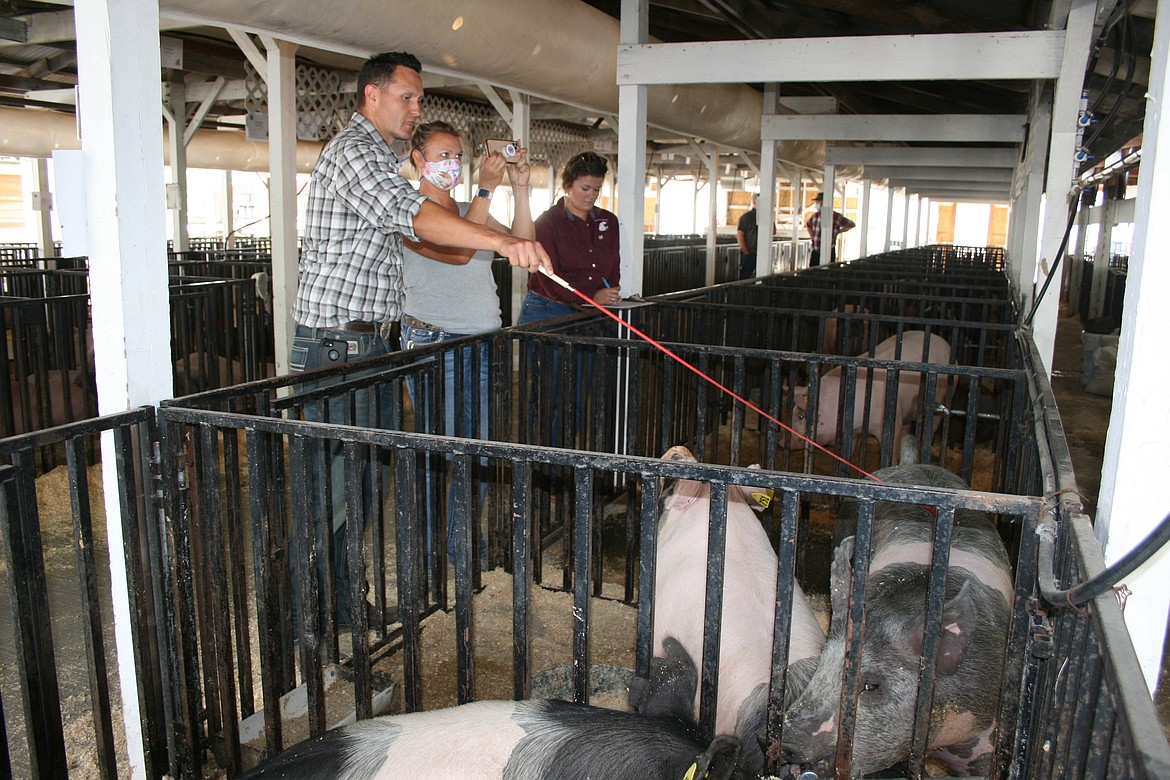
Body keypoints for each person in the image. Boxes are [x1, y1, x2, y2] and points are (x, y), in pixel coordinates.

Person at [287, 51, 549, 632]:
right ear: (371, 96)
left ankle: (346, 607)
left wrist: (500, 224)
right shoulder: (355, 153)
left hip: (371, 346)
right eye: (405, 96)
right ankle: (302, 620)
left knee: (362, 482)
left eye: (418, 98)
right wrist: (501, 242)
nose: (415, 107)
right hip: (336, 345)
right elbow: (417, 217)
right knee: (330, 490)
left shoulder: (379, 160)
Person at [398, 119, 534, 558]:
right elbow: (458, 253)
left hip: (481, 341)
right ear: (418, 160)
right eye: (442, 155)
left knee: (474, 445)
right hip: (438, 341)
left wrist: (521, 189)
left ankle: (459, 542)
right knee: (444, 446)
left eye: (457, 155)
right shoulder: (409, 208)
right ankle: (431, 542)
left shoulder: (466, 210)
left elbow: (522, 248)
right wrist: (485, 191)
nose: (452, 163)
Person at [516, 151, 621, 324]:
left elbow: (613, 265)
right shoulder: (547, 223)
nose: (592, 195)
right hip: (548, 310)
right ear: (567, 186)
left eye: (597, 189)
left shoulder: (609, 221)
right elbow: (548, 277)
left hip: (591, 310)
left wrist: (609, 292)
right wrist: (591, 296)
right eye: (585, 188)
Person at [804, 191, 855, 267]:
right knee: (813, 271)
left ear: (824, 202)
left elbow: (851, 224)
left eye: (818, 201)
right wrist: (812, 236)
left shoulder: (836, 216)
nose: (816, 203)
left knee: (827, 270)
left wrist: (838, 231)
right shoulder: (815, 216)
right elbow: (808, 225)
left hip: (829, 250)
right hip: (816, 250)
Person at [736, 193, 759, 279]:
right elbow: (740, 235)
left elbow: (773, 231)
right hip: (750, 252)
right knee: (745, 276)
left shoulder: (766, 217)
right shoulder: (746, 217)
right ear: (754, 202)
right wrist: (746, 252)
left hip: (762, 253)